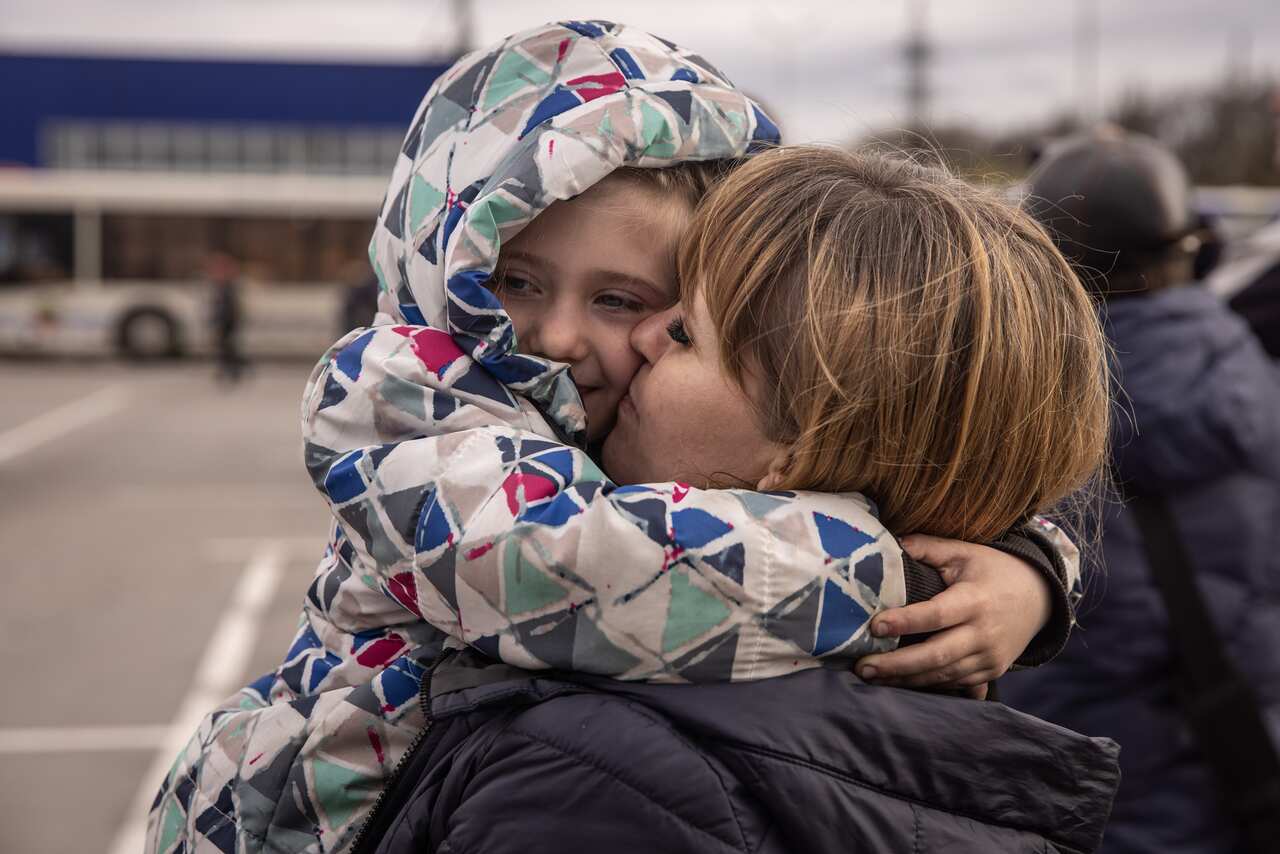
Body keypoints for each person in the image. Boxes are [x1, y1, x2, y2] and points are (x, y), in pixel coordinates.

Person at [146, 23, 1111, 853]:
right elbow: (550, 567)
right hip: (291, 804)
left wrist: (1026, 567)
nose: (567, 339)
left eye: (638, 305)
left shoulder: (605, 753)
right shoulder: (402, 391)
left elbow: (936, 445)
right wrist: (897, 573)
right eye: (513, 282)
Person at [1000, 128, 1280, 853]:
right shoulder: (1253, 375)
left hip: (1086, 803)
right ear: (1196, 245)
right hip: (1244, 773)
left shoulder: (1005, 417)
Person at [207, 251, 246, 383]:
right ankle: (228, 369)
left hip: (227, 322)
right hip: (225, 321)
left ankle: (231, 370)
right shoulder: (223, 286)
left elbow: (228, 308)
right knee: (225, 346)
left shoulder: (227, 287)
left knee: (226, 346)